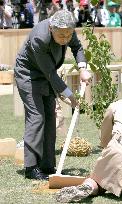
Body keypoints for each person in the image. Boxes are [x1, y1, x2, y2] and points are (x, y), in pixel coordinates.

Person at [14, 9, 91, 180]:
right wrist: (70, 95)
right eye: (61, 35)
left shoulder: (67, 27)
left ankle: (47, 165)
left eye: (68, 35)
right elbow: (50, 73)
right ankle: (31, 167)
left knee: (50, 117)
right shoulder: (39, 38)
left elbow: (77, 47)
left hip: (47, 74)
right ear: (51, 29)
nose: (65, 39)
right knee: (37, 117)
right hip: (28, 75)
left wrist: (83, 69)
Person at [56, 78, 122, 203]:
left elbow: (105, 132)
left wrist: (106, 150)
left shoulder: (116, 106)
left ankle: (89, 186)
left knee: (98, 179)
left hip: (120, 151)